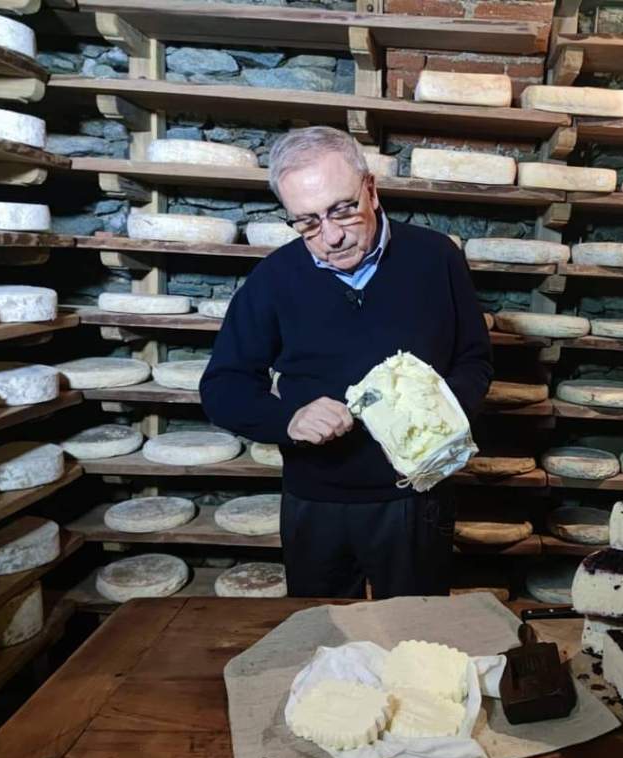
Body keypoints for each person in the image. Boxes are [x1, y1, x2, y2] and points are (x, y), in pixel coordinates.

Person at [200, 126, 493, 599]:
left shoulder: (436, 258)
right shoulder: (274, 278)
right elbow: (223, 386)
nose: (331, 236)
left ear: (371, 191)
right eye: (308, 223)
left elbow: (474, 359)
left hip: (416, 499)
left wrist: (437, 417)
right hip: (317, 500)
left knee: (418, 641)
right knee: (319, 643)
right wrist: (288, 418)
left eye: (342, 210)